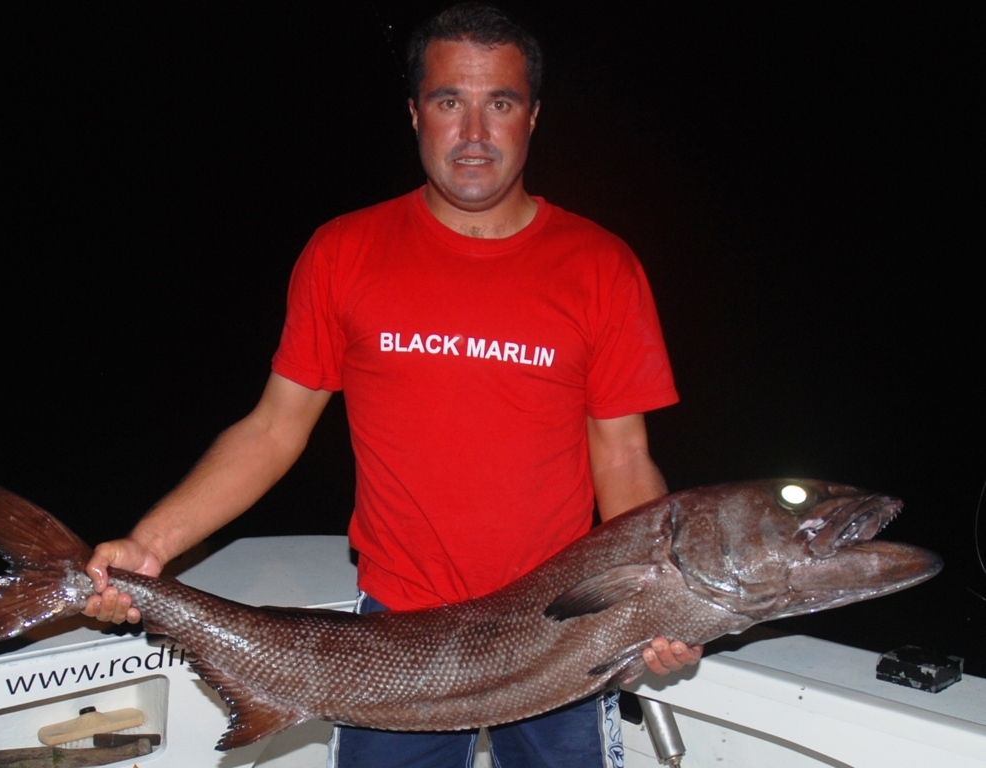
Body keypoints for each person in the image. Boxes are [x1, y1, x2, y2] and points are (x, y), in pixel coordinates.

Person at [84, 4, 701, 766]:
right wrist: (149, 545)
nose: (474, 133)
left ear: (533, 117)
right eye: (449, 101)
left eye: (500, 103)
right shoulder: (344, 251)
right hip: (394, 636)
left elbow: (623, 460)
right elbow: (274, 429)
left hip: (564, 629)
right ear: (414, 113)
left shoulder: (602, 266)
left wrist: (659, 604)